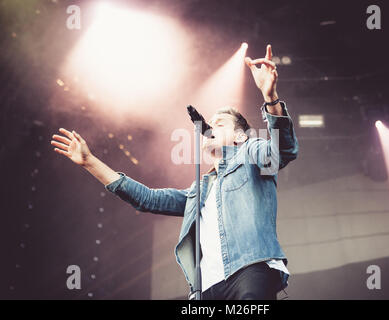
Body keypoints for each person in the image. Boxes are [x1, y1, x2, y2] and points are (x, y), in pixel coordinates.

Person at [51, 44, 299, 300]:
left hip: (249, 269)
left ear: (238, 136)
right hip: (205, 288)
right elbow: (147, 198)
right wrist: (89, 161)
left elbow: (283, 151)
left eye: (219, 123)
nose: (210, 128)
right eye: (209, 124)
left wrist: (270, 98)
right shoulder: (198, 190)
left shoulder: (250, 151)